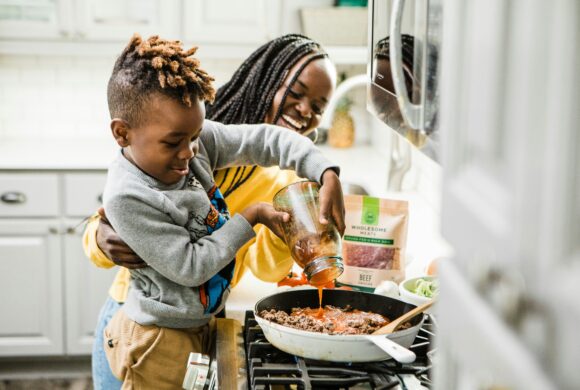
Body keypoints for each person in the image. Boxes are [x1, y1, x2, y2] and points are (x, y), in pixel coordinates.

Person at [84, 34, 337, 390]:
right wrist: (98, 237)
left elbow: (266, 267)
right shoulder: (173, 124)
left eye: (319, 105)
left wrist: (322, 174)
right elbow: (174, 256)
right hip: (149, 330)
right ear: (263, 80)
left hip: (202, 319)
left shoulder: (196, 137)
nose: (305, 110)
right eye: (295, 94)